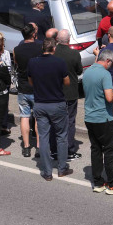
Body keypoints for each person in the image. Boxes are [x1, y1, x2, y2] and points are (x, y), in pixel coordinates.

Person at [82, 48, 113, 195]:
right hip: (103, 117)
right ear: (107, 61)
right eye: (112, 64)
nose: (111, 67)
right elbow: (109, 97)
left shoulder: (88, 71)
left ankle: (98, 182)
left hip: (89, 116)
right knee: (109, 150)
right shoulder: (105, 74)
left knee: (96, 149)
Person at [28, 37, 73, 180]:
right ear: (54, 48)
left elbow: (31, 82)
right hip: (57, 103)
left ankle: (47, 172)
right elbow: (67, 82)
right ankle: (62, 168)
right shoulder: (60, 62)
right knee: (61, 136)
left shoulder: (33, 62)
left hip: (40, 103)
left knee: (44, 138)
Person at [53, 29, 85, 162]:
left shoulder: (53, 53)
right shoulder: (74, 54)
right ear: (69, 39)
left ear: (57, 40)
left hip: (55, 93)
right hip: (70, 92)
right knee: (70, 121)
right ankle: (69, 149)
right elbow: (79, 71)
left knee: (56, 121)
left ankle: (55, 149)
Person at [12, 23, 42, 156]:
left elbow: (16, 63)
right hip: (37, 87)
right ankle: (39, 147)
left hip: (23, 86)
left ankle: (26, 146)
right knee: (38, 117)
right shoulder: (40, 47)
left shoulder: (16, 49)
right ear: (34, 34)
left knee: (24, 116)